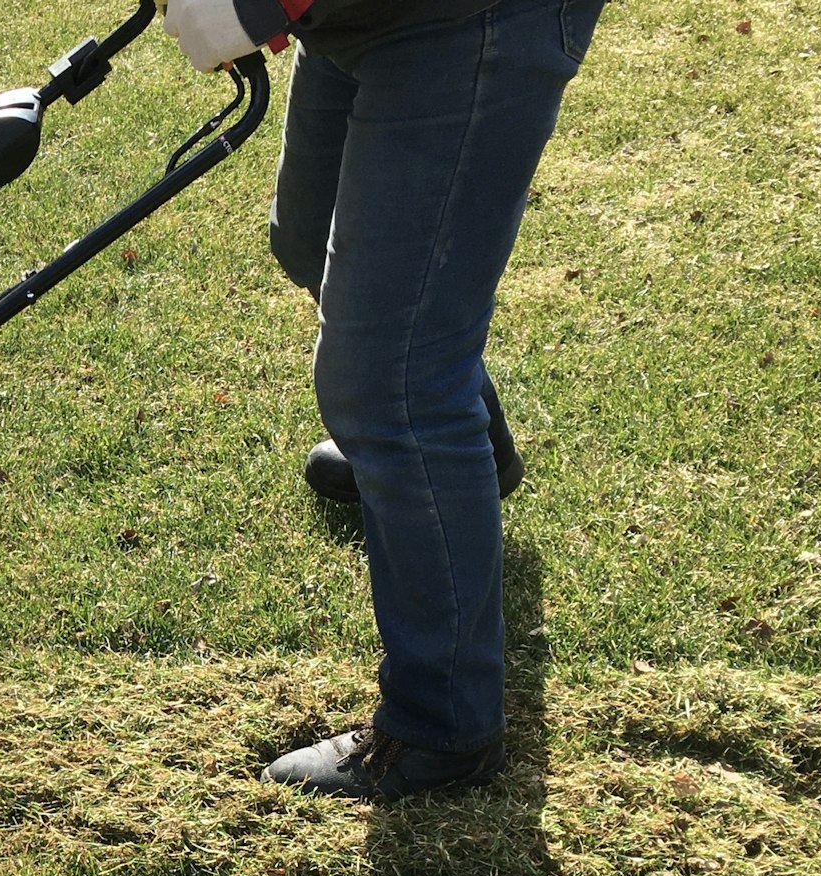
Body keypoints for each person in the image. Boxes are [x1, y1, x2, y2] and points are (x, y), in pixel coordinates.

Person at [159, 0, 605, 798]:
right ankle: (466, 463)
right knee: (308, 237)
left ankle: (444, 726)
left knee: (389, 381)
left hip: (469, 19)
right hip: (356, 17)